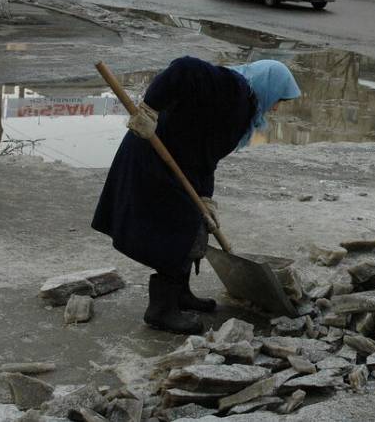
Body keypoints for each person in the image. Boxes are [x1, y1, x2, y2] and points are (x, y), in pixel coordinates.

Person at [92, 57, 301, 334]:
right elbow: (183, 68)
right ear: (268, 85)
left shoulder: (244, 108)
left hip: (178, 162)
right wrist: (149, 110)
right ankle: (161, 310)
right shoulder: (231, 88)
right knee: (175, 228)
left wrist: (205, 197)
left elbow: (207, 156)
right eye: (279, 99)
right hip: (152, 151)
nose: (275, 107)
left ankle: (181, 293)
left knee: (195, 220)